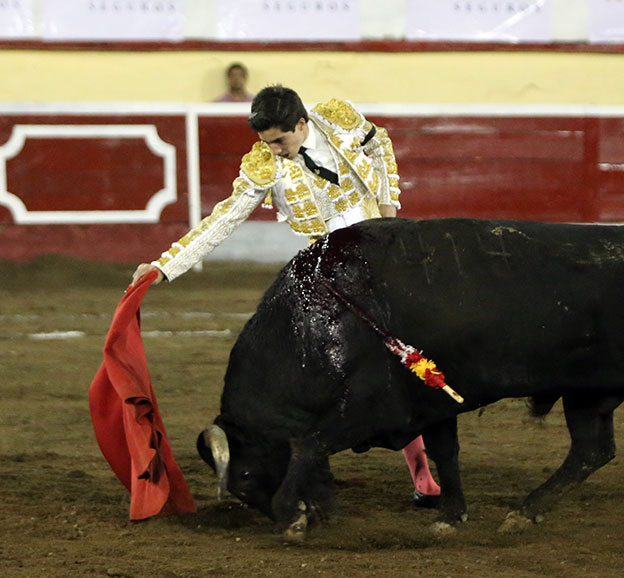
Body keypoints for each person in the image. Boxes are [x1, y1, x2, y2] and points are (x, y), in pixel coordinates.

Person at [133, 85, 441, 507]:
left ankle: (422, 474)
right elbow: (222, 219)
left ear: (302, 124)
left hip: (385, 255)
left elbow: (380, 145)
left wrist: (389, 211)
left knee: (408, 358)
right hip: (332, 272)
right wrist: (164, 265)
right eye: (267, 143)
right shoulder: (265, 166)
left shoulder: (338, 119)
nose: (275, 151)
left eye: (280, 141)